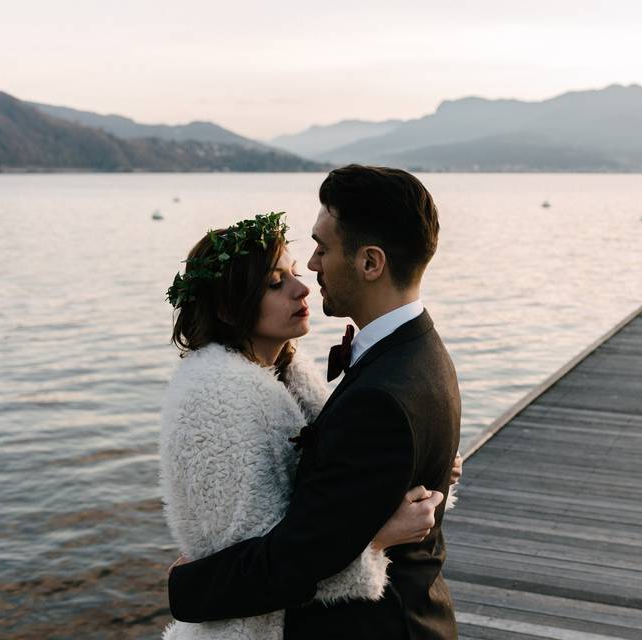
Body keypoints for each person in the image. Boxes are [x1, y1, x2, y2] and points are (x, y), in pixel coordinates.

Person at [167, 166, 462, 639]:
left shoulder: (381, 396)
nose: (311, 270)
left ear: (370, 263)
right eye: (275, 280)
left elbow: (295, 557)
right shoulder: (419, 351)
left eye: (321, 249)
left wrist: (186, 587)